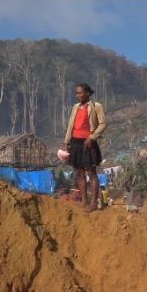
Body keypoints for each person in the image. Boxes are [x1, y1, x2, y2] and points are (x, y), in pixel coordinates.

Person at [63, 83, 106, 213]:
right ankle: (84, 201)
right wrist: (66, 142)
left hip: (88, 143)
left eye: (80, 93)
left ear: (87, 93)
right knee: (79, 172)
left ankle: (93, 203)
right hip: (75, 142)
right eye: (76, 93)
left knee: (91, 172)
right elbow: (71, 125)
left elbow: (103, 124)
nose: (78, 96)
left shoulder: (96, 106)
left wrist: (92, 137)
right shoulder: (75, 107)